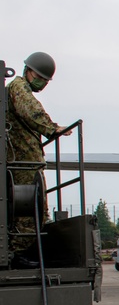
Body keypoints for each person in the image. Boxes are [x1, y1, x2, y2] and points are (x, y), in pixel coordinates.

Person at [5, 52, 76, 258]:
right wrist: (52, 128)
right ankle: (18, 254)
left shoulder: (18, 89)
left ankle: (21, 253)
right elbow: (31, 111)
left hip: (24, 161)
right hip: (23, 162)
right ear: (29, 71)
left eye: (46, 80)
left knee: (34, 210)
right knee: (30, 210)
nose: (43, 83)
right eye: (41, 78)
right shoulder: (19, 88)